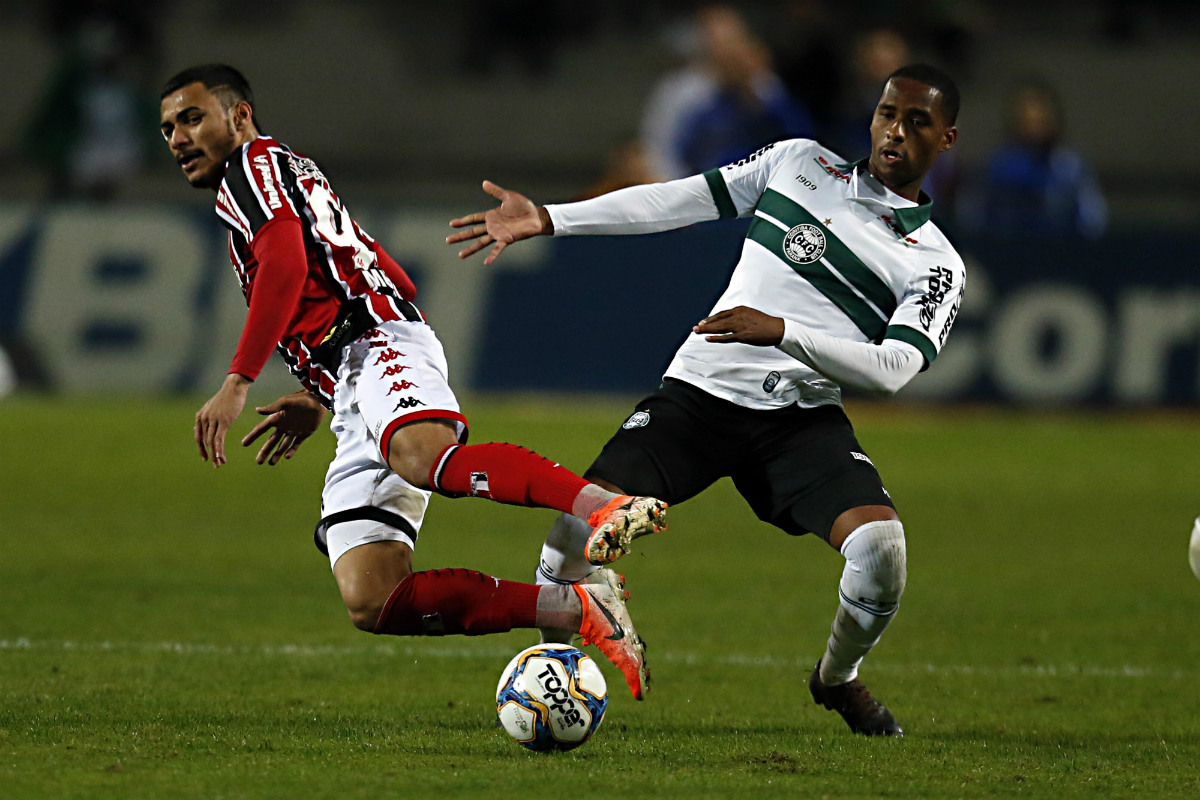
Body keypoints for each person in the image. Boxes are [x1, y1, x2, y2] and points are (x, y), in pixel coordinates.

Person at [449, 63, 966, 736]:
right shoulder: (798, 164)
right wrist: (550, 218)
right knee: (574, 534)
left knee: (883, 551)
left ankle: (836, 679)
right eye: (887, 113)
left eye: (916, 121)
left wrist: (781, 330)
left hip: (798, 421)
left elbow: (895, 368)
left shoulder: (935, 263)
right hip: (700, 396)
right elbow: (673, 201)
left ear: (946, 139)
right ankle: (553, 684)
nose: (895, 130)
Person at [157, 64, 668, 700]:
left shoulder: (250, 170)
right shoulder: (281, 172)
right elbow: (388, 269)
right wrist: (322, 393)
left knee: (424, 457)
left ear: (239, 116)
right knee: (372, 596)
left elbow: (287, 259)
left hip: (375, 345)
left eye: (192, 117)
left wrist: (238, 380)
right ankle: (579, 610)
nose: (177, 136)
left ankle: (605, 507)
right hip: (354, 381)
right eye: (168, 126)